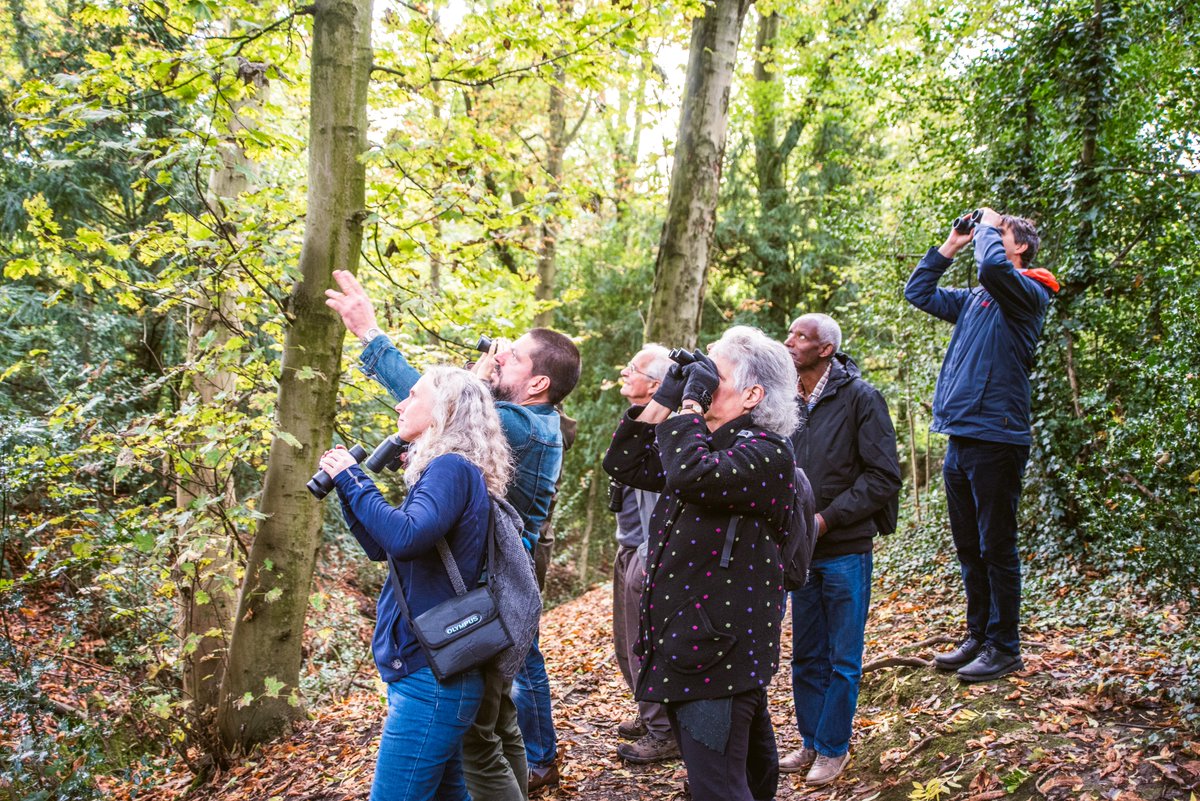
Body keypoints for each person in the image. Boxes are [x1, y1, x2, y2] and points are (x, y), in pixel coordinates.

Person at [326, 270, 581, 798]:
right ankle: (537, 764)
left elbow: (445, 401)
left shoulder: (523, 428)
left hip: (474, 601)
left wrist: (372, 336)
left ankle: (539, 764)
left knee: (481, 740)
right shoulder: (504, 432)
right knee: (487, 735)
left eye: (511, 358)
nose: (496, 358)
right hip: (475, 595)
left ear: (538, 384)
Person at [603, 326, 799, 801]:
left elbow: (691, 475)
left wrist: (690, 405)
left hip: (716, 650)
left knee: (716, 784)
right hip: (701, 644)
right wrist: (669, 394)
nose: (703, 381)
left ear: (752, 394)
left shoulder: (766, 451)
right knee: (749, 769)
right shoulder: (706, 443)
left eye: (715, 375)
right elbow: (625, 463)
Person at [319, 367, 512, 801]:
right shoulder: (449, 470)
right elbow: (384, 546)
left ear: (443, 409)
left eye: (411, 395)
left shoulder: (450, 468)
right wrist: (346, 490)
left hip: (433, 677)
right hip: (434, 670)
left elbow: (404, 536)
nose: (400, 404)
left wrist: (354, 477)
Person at [904, 207, 1058, 682]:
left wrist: (991, 224)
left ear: (1021, 247)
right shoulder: (977, 300)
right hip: (962, 434)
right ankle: (978, 635)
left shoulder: (1028, 293)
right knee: (970, 546)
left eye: (1000, 235)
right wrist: (951, 244)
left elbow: (993, 267)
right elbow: (919, 292)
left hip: (998, 435)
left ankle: (1004, 646)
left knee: (997, 545)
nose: (988, 239)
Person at [777, 313, 901, 786]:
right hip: (799, 553)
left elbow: (883, 476)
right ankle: (810, 742)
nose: (789, 341)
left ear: (825, 349)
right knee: (806, 655)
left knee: (842, 657)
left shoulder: (862, 398)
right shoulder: (786, 400)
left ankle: (834, 748)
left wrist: (826, 519)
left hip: (846, 547)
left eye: (800, 336)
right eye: (790, 334)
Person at [609, 344, 680, 764]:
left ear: (656, 385)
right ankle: (647, 709)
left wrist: (645, 557)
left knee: (644, 643)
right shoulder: (638, 420)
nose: (624, 373)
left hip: (649, 552)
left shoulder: (667, 428)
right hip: (630, 546)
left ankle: (662, 729)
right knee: (626, 643)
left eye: (632, 369)